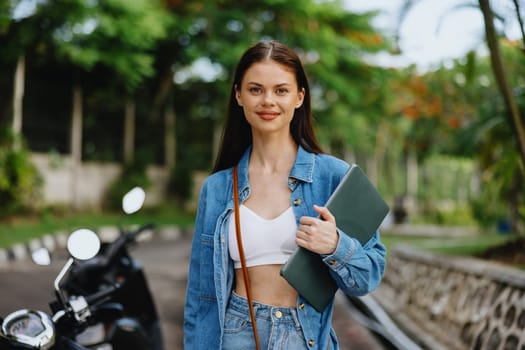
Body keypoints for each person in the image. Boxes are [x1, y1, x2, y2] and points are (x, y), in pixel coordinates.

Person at [183, 40, 386, 350]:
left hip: (304, 337)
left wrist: (335, 245)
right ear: (238, 95)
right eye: (255, 90)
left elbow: (368, 276)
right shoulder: (218, 188)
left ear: (299, 97)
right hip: (237, 333)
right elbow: (201, 296)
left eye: (281, 90)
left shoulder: (333, 176)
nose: (268, 101)